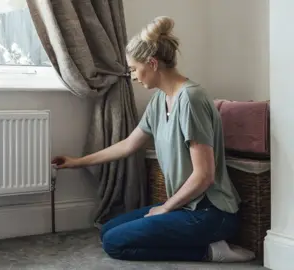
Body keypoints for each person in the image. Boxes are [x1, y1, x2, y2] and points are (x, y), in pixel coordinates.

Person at [51, 16, 255, 262]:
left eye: (135, 69)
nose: (134, 76)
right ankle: (197, 238)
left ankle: (211, 251)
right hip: (184, 207)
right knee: (107, 230)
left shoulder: (191, 99)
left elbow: (204, 175)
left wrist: (166, 208)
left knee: (115, 244)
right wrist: (77, 162)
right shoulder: (159, 100)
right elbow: (129, 144)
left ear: (152, 63)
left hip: (210, 212)